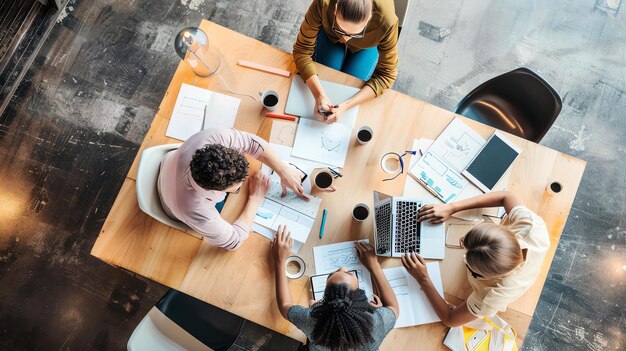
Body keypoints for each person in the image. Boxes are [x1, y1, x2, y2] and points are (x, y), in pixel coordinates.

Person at [401, 191, 550, 326]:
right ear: (501, 231)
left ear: (482, 275)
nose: (463, 253)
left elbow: (450, 319)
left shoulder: (492, 297)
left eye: (467, 257)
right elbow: (508, 196)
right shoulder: (531, 226)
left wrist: (424, 279)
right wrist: (452, 207)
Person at [157, 127, 307, 250]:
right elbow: (234, 242)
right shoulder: (195, 210)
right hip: (172, 204)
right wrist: (255, 199)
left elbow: (251, 142)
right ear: (213, 190)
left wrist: (282, 169)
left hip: (171, 164)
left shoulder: (213, 137)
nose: (242, 184)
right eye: (236, 187)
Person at [271, 225, 399, 350]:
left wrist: (279, 260)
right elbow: (394, 308)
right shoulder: (375, 324)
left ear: (324, 300)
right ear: (360, 299)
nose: (343, 268)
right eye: (348, 273)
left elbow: (284, 306)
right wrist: (374, 266)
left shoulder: (312, 321)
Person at [293, 0, 399, 124]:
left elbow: (387, 75)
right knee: (328, 78)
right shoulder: (323, 3)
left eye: (357, 33)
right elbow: (302, 50)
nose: (346, 38)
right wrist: (319, 95)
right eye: (341, 29)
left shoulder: (386, 21)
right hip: (330, 36)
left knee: (351, 86)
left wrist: (347, 105)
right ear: (335, 8)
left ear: (371, 17)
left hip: (365, 47)